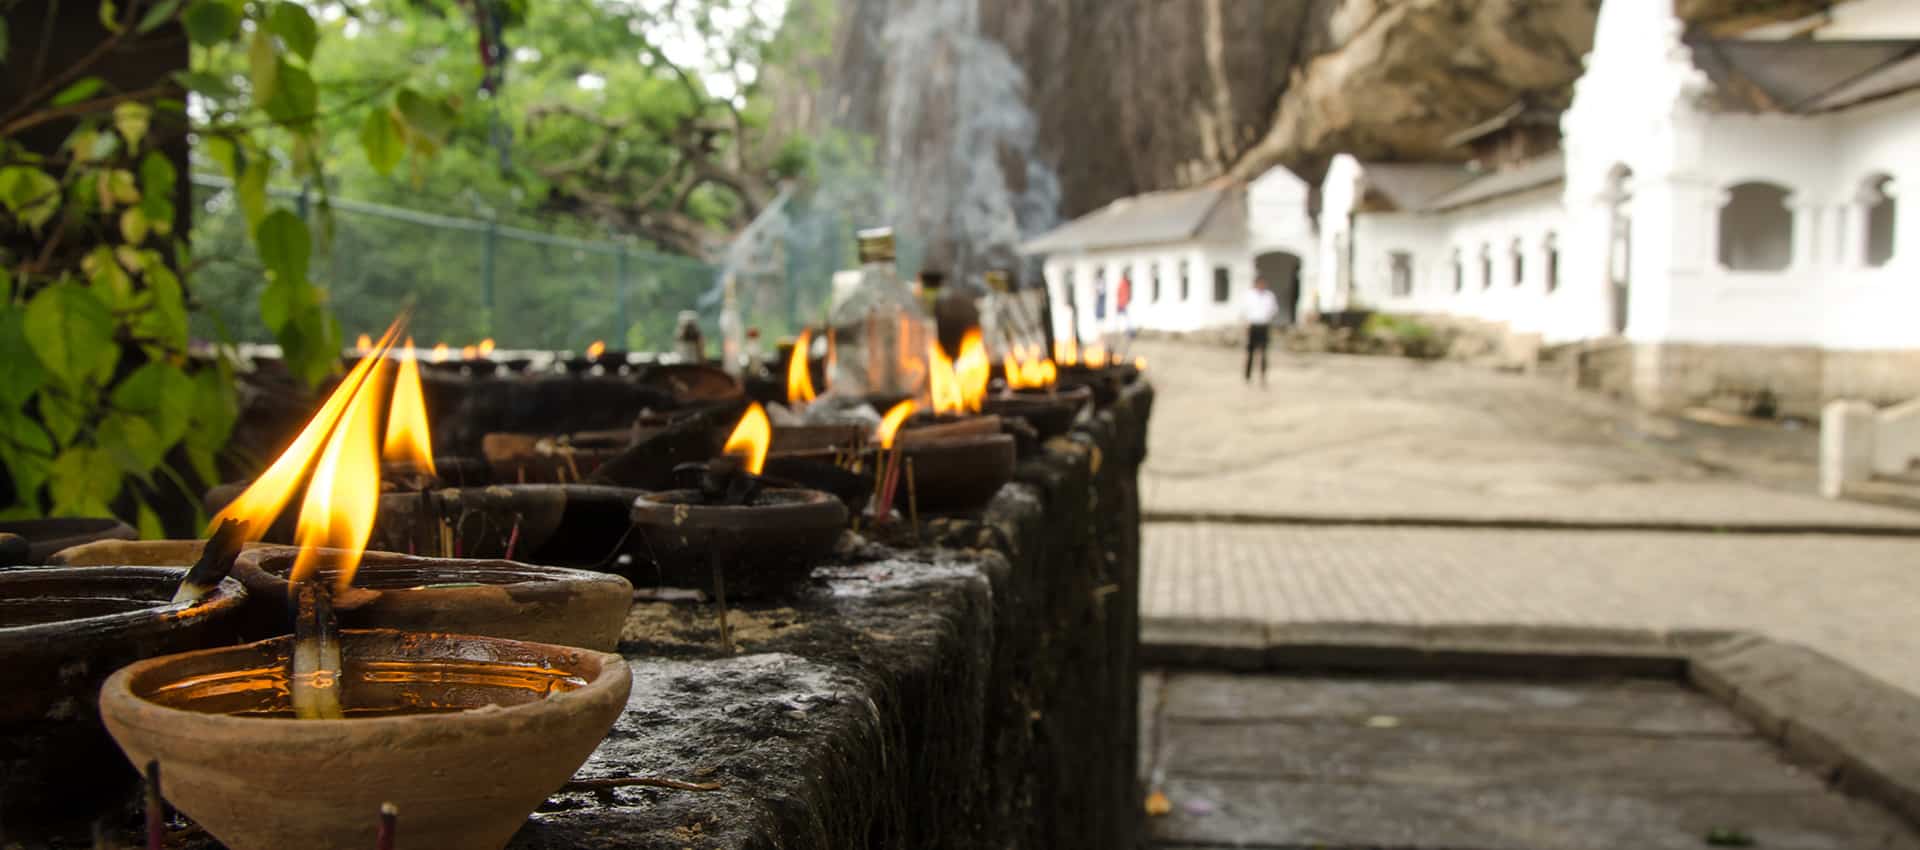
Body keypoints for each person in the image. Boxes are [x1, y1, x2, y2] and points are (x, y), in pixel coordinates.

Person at [1243, 277, 1280, 385]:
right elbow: (1245, 310)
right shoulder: (1249, 296)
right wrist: (1246, 324)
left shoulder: (1269, 296)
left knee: (1264, 352)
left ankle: (1263, 376)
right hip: (1253, 325)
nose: (1261, 286)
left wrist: (1268, 319)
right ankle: (1248, 376)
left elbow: (1274, 310)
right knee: (1250, 352)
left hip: (1264, 325)